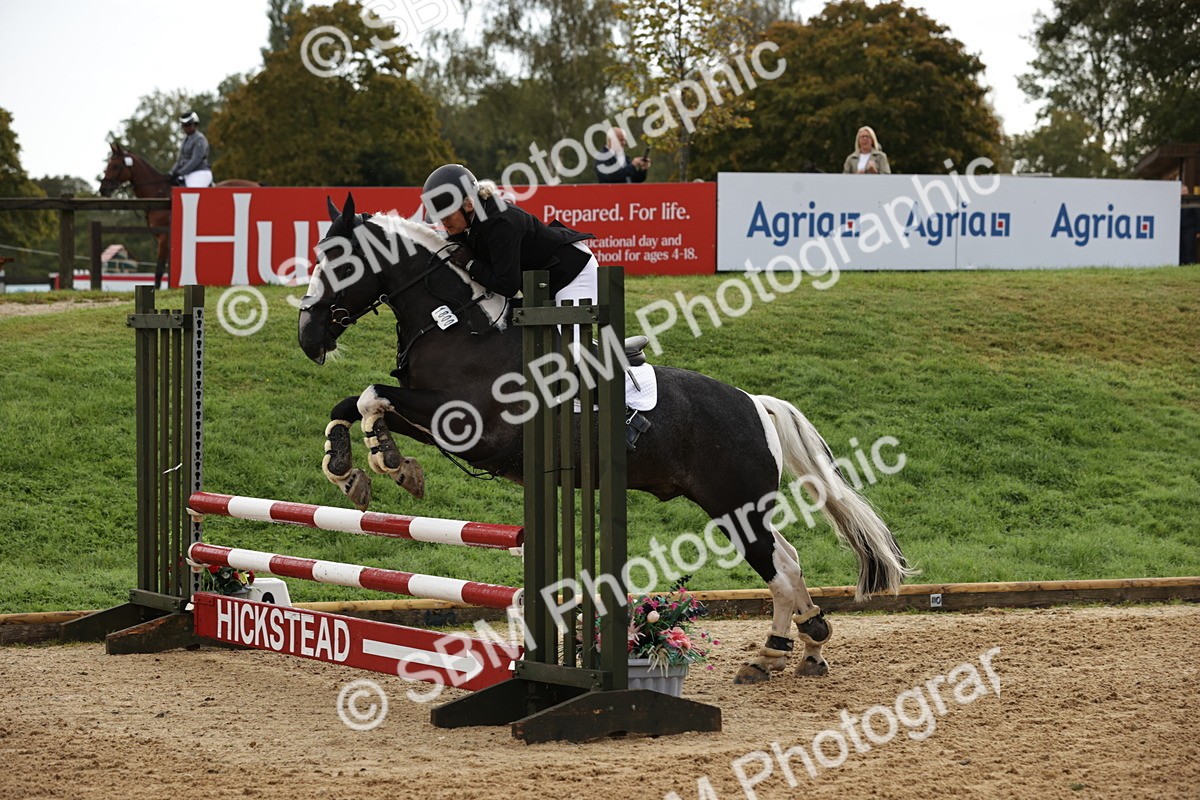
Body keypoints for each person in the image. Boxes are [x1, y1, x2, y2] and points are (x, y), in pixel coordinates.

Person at [422, 164, 598, 306]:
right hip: (542, 282)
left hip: (573, 272)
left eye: (447, 215)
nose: (443, 222)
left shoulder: (500, 224)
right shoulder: (470, 220)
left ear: (468, 205)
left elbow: (507, 285)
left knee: (569, 344)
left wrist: (470, 264)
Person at [169, 111, 213, 187]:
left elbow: (195, 159)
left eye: (189, 125)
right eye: (184, 125)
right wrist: (171, 172)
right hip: (187, 173)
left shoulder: (199, 139)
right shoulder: (185, 140)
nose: (186, 128)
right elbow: (180, 160)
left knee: (191, 191)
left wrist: (181, 172)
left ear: (195, 124)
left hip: (199, 172)